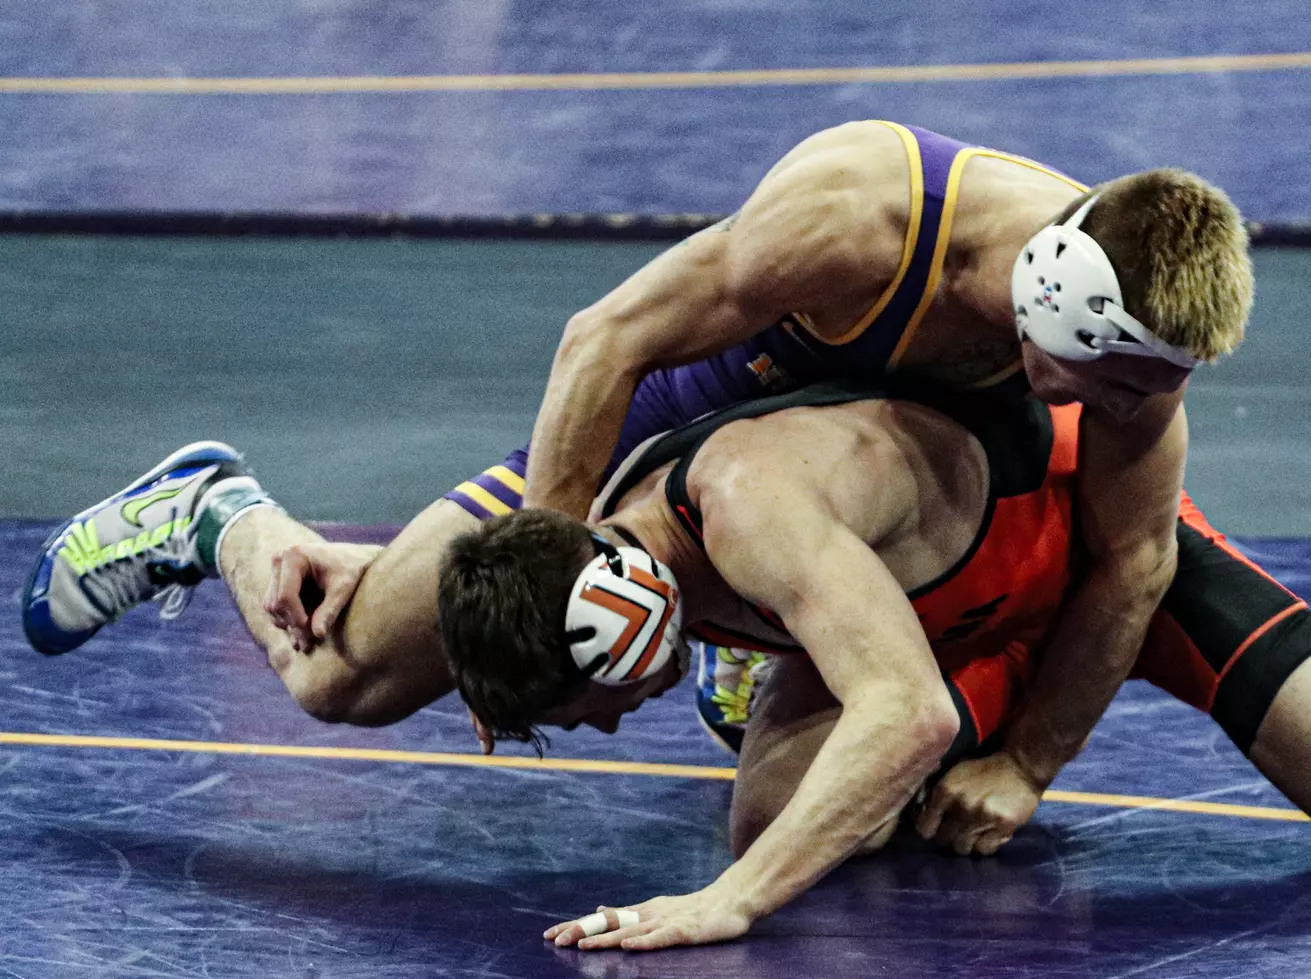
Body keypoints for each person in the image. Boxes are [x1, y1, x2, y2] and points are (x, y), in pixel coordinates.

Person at [24, 121, 1245, 852]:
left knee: (809, 758)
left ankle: (751, 627)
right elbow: (601, 340)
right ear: (1050, 300)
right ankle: (216, 514)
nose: (1129, 407)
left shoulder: (1129, 343)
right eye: (1114, 377)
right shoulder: (863, 213)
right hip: (669, 430)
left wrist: (1026, 763)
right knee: (345, 677)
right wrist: (543, 580)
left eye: (1151, 383)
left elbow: (1136, 558)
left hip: (822, 495)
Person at [430, 380, 1311, 952]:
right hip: (937, 624)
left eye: (582, 710)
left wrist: (729, 902)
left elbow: (895, 716)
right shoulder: (605, 557)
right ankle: (808, 703)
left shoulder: (746, 505)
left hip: (1089, 562)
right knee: (786, 811)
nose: (598, 735)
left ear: (623, 624)